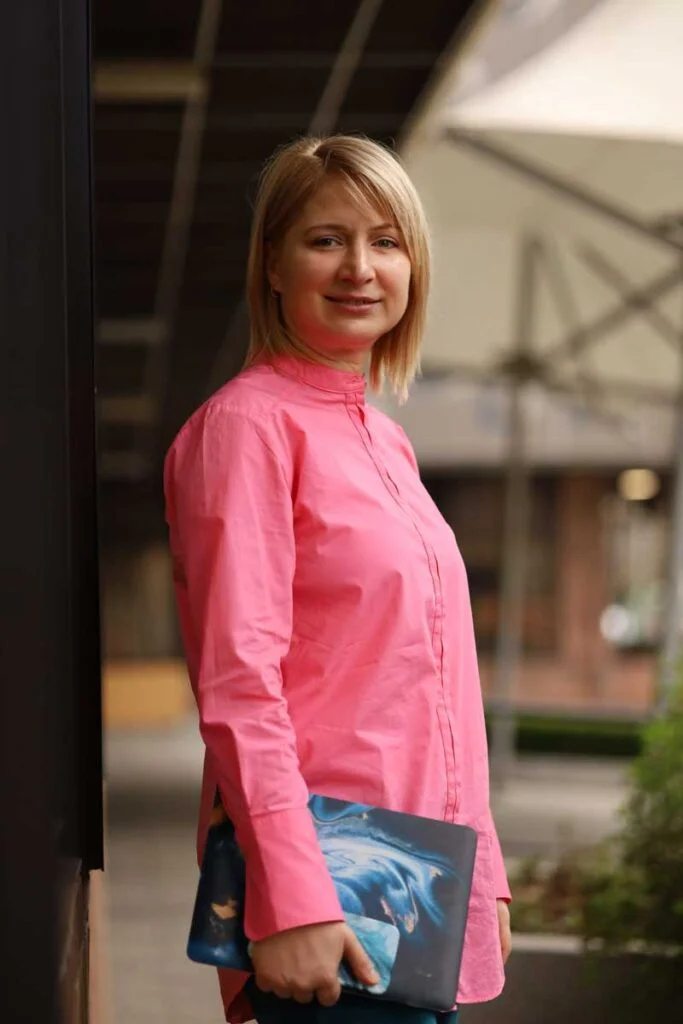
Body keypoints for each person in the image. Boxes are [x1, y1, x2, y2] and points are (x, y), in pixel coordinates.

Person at [164, 134, 512, 1024]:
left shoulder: (387, 443)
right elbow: (239, 685)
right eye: (326, 239)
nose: (360, 267)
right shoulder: (245, 429)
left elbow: (441, 686)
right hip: (331, 890)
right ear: (272, 264)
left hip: (425, 880)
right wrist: (294, 898)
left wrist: (486, 874)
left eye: (386, 242)